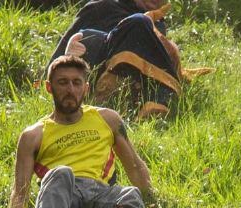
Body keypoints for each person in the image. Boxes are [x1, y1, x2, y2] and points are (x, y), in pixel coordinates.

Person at [10, 54, 159, 208]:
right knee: (61, 172)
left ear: (86, 88)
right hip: (63, 195)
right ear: (49, 87)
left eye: (76, 82)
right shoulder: (33, 135)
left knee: (129, 193)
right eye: (62, 82)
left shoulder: (107, 119)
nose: (70, 89)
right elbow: (20, 190)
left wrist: (152, 202)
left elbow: (134, 165)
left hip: (101, 193)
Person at [51, 0, 210, 119]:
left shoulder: (157, 22)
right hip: (88, 77)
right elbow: (55, 62)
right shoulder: (102, 7)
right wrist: (69, 53)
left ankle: (151, 104)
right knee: (133, 23)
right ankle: (160, 100)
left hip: (130, 89)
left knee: (141, 24)